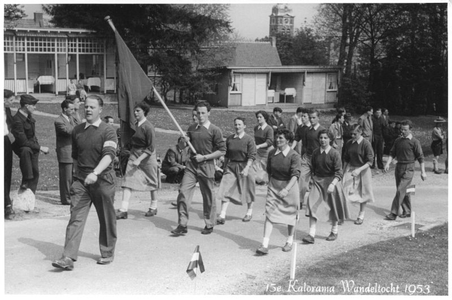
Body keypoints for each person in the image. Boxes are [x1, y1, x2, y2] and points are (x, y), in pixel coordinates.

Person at [52, 95, 118, 270]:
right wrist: (76, 178)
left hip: (103, 180)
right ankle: (68, 257)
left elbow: (109, 155)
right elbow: (75, 156)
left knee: (106, 218)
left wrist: (96, 173)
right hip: (81, 181)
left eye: (92, 107)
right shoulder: (77, 130)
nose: (88, 110)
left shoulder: (108, 130)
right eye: (86, 107)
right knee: (76, 218)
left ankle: (107, 252)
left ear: (100, 110)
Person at [171, 101, 226, 236]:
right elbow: (183, 146)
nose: (200, 115)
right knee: (183, 191)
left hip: (206, 166)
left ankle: (209, 223)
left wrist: (205, 157)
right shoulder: (192, 127)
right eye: (198, 113)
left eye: (203, 113)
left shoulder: (214, 130)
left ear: (208, 113)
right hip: (192, 165)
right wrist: (184, 141)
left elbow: (222, 151)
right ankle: (182, 224)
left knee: (208, 196)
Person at [256, 129, 301, 255]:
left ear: (288, 140)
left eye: (281, 138)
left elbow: (296, 175)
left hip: (290, 187)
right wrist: (270, 184)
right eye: (276, 137)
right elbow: (269, 170)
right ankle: (265, 244)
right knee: (269, 212)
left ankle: (289, 241)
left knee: (291, 215)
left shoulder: (294, 155)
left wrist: (286, 189)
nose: (277, 140)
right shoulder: (271, 153)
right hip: (274, 186)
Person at [303, 129, 348, 244]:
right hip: (318, 181)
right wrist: (310, 180)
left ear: (330, 139)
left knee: (333, 206)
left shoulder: (334, 153)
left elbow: (339, 172)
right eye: (321, 138)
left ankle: (334, 231)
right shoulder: (316, 152)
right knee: (312, 204)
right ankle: (311, 234)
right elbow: (312, 168)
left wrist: (333, 184)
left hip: (332, 181)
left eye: (325, 138)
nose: (322, 140)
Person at [116, 101, 160, 219]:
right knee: (127, 180)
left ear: (144, 112)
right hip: (134, 154)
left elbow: (151, 147)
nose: (135, 113)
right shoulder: (134, 125)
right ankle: (123, 210)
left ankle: (153, 207)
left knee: (152, 182)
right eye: (134, 111)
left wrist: (139, 160)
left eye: (138, 111)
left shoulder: (148, 127)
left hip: (147, 156)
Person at [383, 120, 427, 220]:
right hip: (399, 167)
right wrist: (388, 164)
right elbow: (392, 153)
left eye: (405, 129)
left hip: (409, 168)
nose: (402, 131)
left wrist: (423, 172)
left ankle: (393, 213)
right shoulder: (398, 141)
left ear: (410, 130)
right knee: (405, 190)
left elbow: (421, 157)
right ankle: (407, 211)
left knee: (400, 189)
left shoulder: (415, 142)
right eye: (401, 129)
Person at [217, 117, 257, 224]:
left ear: (244, 126)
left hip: (245, 165)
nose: (237, 127)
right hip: (232, 166)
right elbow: (227, 155)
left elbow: (252, 156)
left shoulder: (249, 139)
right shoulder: (230, 139)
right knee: (225, 187)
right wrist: (224, 167)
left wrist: (247, 168)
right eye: (236, 124)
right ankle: (222, 214)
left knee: (248, 189)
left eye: (239, 124)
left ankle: (249, 212)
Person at [11, 94, 50, 194]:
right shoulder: (17, 120)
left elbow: (31, 135)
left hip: (33, 147)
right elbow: (23, 142)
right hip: (24, 148)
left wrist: (36, 146)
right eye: (33, 105)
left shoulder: (28, 116)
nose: (35, 107)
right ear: (27, 106)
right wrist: (40, 147)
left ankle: (30, 197)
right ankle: (24, 191)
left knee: (35, 173)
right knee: (29, 174)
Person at [342, 124, 375, 224]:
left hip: (363, 170)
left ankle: (361, 215)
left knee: (363, 193)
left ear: (360, 133)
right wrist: (343, 173)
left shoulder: (366, 144)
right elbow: (346, 159)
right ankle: (343, 214)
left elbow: (370, 162)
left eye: (354, 134)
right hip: (351, 169)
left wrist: (359, 170)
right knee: (344, 191)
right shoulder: (349, 143)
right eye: (351, 134)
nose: (352, 136)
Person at [298, 109, 326, 208]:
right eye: (310, 118)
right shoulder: (307, 130)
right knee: (302, 178)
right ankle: (300, 201)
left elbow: (325, 147)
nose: (312, 120)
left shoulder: (322, 131)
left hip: (319, 159)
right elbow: (304, 145)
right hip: (307, 158)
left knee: (318, 181)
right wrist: (303, 156)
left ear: (318, 118)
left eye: (314, 118)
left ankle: (318, 201)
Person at [54, 99, 76, 205]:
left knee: (73, 177)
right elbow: (69, 131)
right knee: (66, 178)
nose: (73, 110)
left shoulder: (71, 118)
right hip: (65, 153)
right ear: (64, 109)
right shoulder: (59, 121)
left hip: (73, 152)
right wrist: (80, 127)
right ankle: (66, 199)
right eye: (71, 109)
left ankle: (71, 197)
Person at [252, 110, 274, 184]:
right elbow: (255, 139)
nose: (258, 119)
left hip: (267, 151)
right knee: (256, 165)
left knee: (267, 166)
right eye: (257, 117)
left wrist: (259, 146)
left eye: (260, 117)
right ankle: (259, 180)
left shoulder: (269, 129)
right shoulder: (256, 128)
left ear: (265, 118)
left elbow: (269, 141)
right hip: (259, 151)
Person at [4, 89, 15, 219]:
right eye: (11, 100)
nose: (12, 103)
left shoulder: (6, 110)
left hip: (5, 140)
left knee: (7, 173)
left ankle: (6, 203)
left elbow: (10, 123)